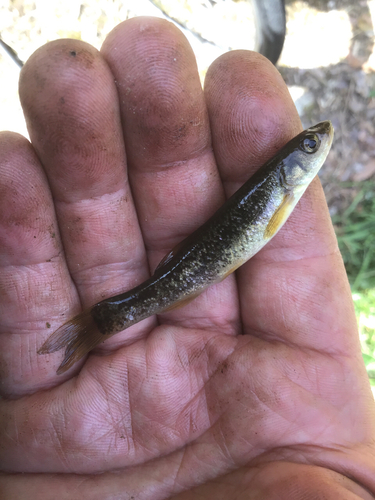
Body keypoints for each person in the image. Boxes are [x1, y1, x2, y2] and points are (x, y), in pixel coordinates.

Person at [0, 16, 374, 500]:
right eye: (309, 144)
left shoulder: (285, 184)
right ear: (293, 164)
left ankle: (104, 321)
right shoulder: (280, 185)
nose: (317, 140)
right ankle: (103, 320)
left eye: (310, 143)